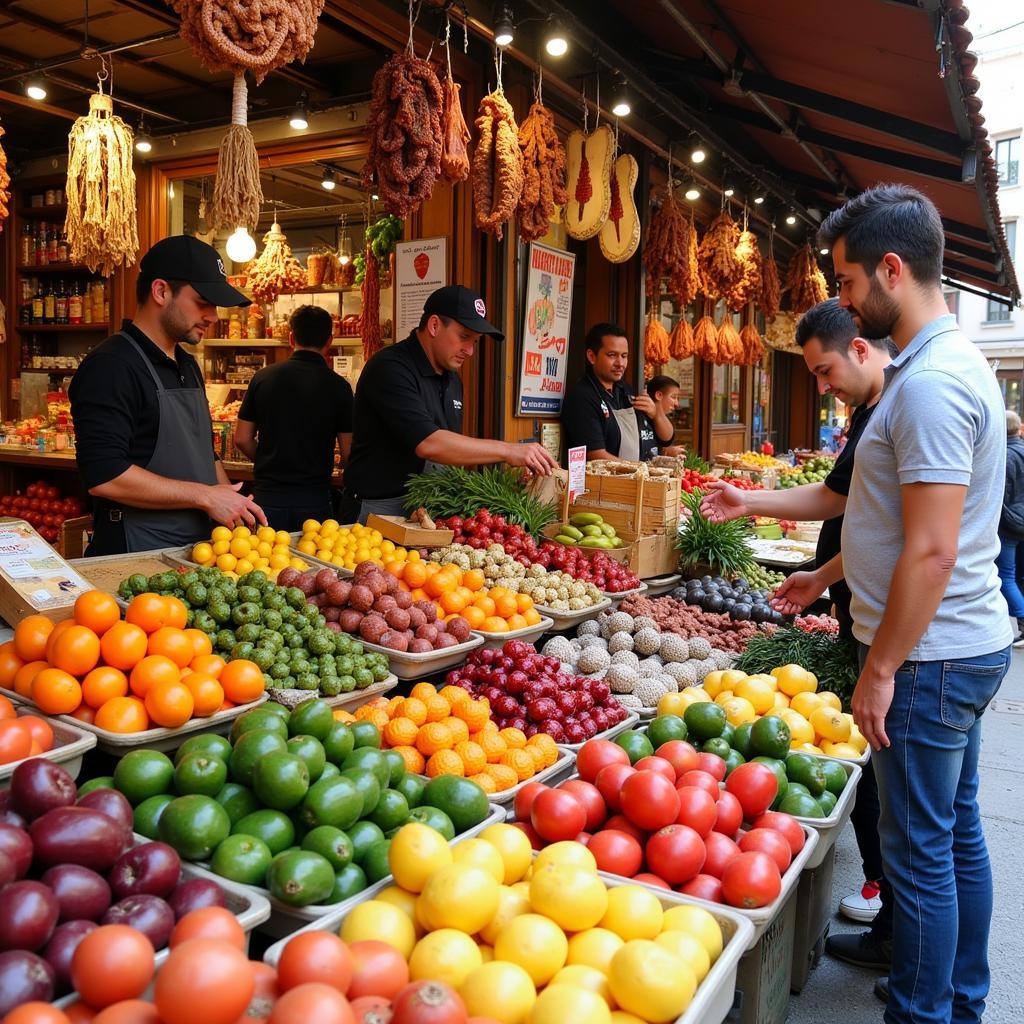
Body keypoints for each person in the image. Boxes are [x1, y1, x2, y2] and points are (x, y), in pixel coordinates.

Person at [772, 183, 1012, 1023]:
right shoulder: (937, 368)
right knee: (954, 838)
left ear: (892, 269)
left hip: (931, 657)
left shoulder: (932, 384)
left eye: (845, 283)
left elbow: (934, 548)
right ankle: (960, 1000)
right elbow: (892, 523)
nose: (842, 300)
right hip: (955, 647)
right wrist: (829, 578)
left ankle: (924, 1012)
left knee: (920, 859)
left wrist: (880, 669)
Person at [701, 298, 895, 962]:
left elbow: (874, 520)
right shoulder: (872, 412)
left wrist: (882, 665)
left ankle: (898, 926)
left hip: (895, 634)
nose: (820, 386)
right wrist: (821, 574)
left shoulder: (897, 409)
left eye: (822, 370)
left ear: (861, 350)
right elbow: (858, 513)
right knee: (900, 799)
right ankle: (892, 913)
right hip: (860, 611)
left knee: (908, 807)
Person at [70, 235, 265, 554]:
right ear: (161, 291)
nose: (214, 316)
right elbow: (104, 475)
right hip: (136, 554)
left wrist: (230, 500)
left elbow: (204, 451)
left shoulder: (187, 364)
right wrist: (207, 497)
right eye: (203, 302)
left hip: (196, 551)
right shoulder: (112, 366)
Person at [345, 285, 557, 522]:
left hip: (425, 509)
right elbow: (428, 443)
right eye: (464, 337)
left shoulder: (452, 379)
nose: (469, 351)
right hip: (377, 509)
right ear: (434, 325)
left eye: (475, 342)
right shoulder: (390, 367)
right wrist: (508, 451)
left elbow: (447, 448)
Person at [233, 305, 353, 531]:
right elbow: (349, 453)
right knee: (312, 564)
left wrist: (269, 460)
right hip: (314, 500)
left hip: (267, 498)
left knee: (261, 562)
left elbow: (241, 438)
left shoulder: (263, 378)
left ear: (291, 338)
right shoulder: (339, 387)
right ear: (329, 341)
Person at [561, 323, 675, 461]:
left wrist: (656, 414)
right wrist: (641, 471)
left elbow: (666, 438)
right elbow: (596, 456)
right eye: (612, 355)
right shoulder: (582, 397)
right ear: (592, 356)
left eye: (624, 356)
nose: (620, 363)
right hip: (605, 481)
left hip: (638, 479)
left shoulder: (627, 392)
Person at [996, 410, 1024, 647]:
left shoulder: (1005, 456)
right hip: (1021, 520)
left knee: (1005, 575)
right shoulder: (1022, 450)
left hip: (1010, 524)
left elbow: (999, 495)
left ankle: (1023, 620)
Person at [645, 375, 686, 457]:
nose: (677, 404)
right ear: (659, 395)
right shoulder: (640, 417)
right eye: (673, 397)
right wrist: (665, 452)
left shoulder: (663, 420)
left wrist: (667, 451)